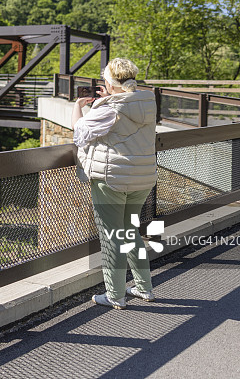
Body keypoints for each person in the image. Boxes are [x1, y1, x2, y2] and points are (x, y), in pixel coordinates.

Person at [71, 58, 157, 310]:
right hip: (141, 178)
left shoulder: (109, 108)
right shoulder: (145, 101)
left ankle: (115, 295)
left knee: (112, 236)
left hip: (112, 179)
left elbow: (79, 132)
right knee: (131, 233)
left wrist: (79, 105)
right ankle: (144, 288)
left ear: (108, 82)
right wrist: (105, 99)